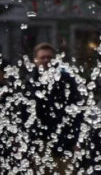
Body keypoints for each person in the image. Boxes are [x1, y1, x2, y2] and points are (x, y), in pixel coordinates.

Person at [23, 42, 83, 173]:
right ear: (35, 60)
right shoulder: (28, 83)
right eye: (42, 57)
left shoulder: (66, 81)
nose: (46, 60)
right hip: (39, 142)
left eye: (49, 57)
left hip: (64, 140)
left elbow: (77, 110)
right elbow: (24, 115)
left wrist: (75, 138)